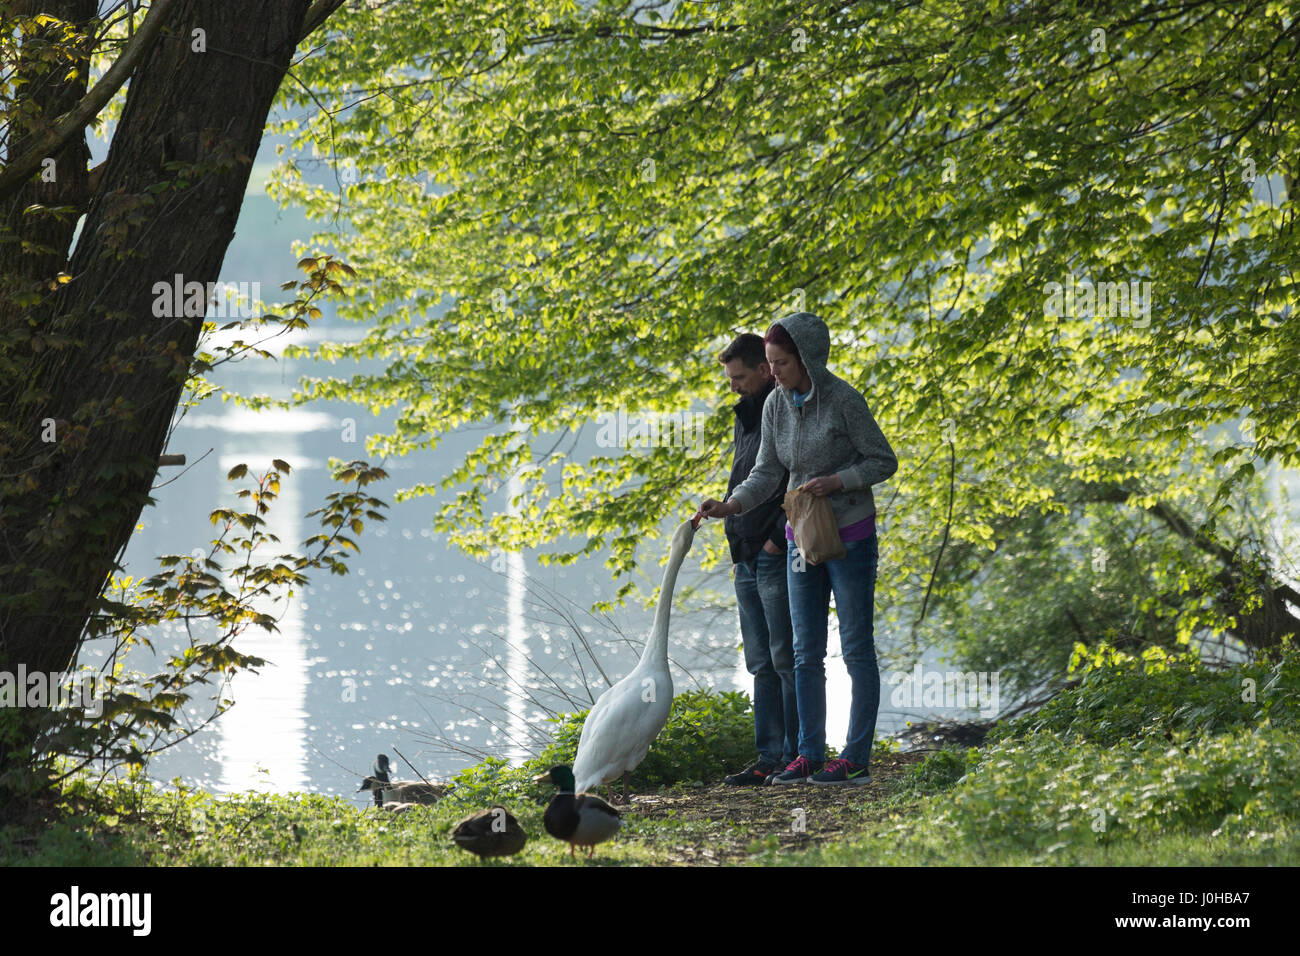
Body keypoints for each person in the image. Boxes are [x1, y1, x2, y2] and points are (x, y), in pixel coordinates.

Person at [698, 312, 897, 785]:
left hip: (850, 536)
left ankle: (855, 759)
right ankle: (807, 754)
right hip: (799, 539)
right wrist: (731, 506)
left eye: (782, 363)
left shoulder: (845, 401)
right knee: (805, 652)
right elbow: (767, 472)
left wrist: (839, 480)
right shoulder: (775, 406)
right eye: (770, 363)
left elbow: (882, 460)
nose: (776, 373)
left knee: (855, 647)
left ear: (808, 358)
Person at [711, 334, 798, 785]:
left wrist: (775, 542)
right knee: (759, 662)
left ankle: (798, 755)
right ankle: (768, 757)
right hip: (744, 555)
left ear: (765, 370)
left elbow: (791, 477)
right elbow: (745, 478)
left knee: (786, 657)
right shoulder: (746, 415)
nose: (733, 386)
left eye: (739, 377)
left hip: (772, 552)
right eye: (730, 378)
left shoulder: (784, 410)